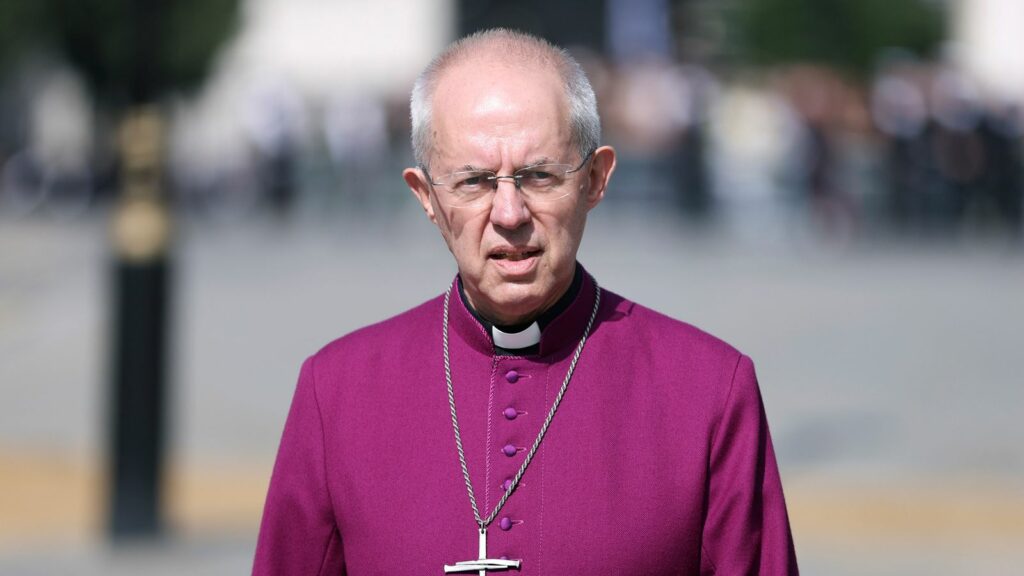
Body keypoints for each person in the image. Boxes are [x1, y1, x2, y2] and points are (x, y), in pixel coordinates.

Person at [254, 29, 798, 575]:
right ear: (426, 197)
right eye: (474, 181)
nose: (510, 213)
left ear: (594, 179)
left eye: (539, 176)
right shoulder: (337, 391)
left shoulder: (708, 391)